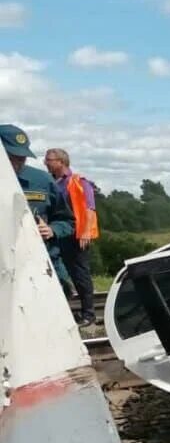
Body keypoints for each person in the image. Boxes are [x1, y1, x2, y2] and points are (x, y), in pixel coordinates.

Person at [3, 124, 73, 289]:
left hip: (41, 268)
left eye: (22, 158)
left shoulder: (42, 181)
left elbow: (66, 220)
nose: (18, 163)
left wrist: (52, 230)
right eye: (11, 157)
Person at [45, 147, 99, 326]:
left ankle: (89, 315)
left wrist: (85, 232)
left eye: (49, 160)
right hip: (56, 233)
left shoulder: (78, 182)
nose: (46, 163)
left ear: (61, 162)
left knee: (80, 274)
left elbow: (89, 208)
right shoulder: (51, 181)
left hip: (75, 235)